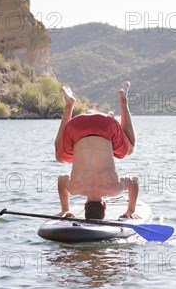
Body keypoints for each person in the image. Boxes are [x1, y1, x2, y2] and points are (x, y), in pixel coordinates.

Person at [54, 81, 140, 220]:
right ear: (85, 205)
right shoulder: (74, 188)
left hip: (107, 124)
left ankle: (123, 101)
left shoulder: (114, 189)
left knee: (129, 150)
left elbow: (134, 181)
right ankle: (69, 106)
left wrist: (130, 210)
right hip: (76, 126)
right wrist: (65, 209)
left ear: (104, 205)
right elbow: (61, 179)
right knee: (60, 157)